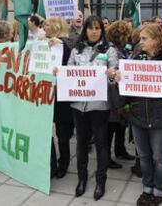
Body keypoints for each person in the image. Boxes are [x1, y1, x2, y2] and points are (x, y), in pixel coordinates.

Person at [114, 23, 162, 206]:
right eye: (140, 39)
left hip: (161, 117)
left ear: (156, 40)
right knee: (144, 156)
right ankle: (147, 188)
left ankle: (159, 190)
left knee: (158, 156)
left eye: (145, 38)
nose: (141, 42)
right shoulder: (136, 59)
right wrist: (118, 80)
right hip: (138, 116)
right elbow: (126, 89)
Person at [67, 15, 118, 200]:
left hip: (99, 105)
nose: (94, 31)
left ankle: (100, 181)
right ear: (85, 30)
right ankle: (82, 179)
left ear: (102, 30)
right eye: (90, 28)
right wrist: (59, 72)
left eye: (97, 28)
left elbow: (114, 78)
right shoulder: (76, 50)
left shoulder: (110, 50)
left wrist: (113, 75)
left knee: (101, 143)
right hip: (79, 105)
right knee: (81, 143)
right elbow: (69, 72)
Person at [45, 17, 74, 179]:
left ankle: (64, 163)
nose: (44, 28)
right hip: (46, 94)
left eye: (47, 25)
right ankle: (51, 163)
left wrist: (61, 45)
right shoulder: (45, 43)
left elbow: (71, 64)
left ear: (55, 27)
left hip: (61, 96)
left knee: (62, 133)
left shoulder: (65, 44)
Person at [105, 20, 135, 170]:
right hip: (113, 97)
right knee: (111, 127)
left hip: (120, 95)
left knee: (120, 126)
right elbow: (113, 77)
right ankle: (106, 158)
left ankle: (120, 150)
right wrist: (118, 105)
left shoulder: (120, 49)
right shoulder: (112, 51)